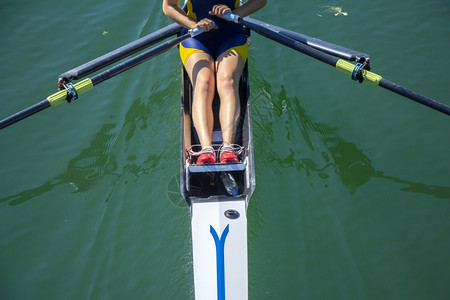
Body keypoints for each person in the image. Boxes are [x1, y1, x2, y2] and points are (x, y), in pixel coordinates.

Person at [163, 0, 266, 164]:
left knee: (227, 80)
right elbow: (168, 6)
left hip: (231, 35)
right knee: (203, 81)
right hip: (196, 37)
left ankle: (228, 148)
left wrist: (235, 15)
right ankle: (206, 150)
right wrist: (194, 24)